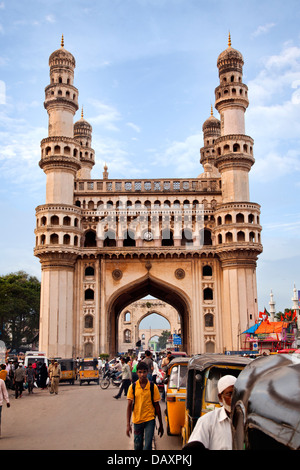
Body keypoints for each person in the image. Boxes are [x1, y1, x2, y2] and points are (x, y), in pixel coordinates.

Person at [186, 375, 237, 450]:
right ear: (220, 397)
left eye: (237, 394)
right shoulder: (206, 421)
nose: (234, 398)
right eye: (230, 394)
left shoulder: (247, 421)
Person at [126, 361, 164, 450]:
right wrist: (128, 424)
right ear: (137, 373)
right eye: (140, 372)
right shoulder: (133, 387)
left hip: (149, 420)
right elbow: (129, 406)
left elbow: (157, 406)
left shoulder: (152, 387)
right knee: (137, 446)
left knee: (147, 447)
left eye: (144, 372)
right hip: (137, 420)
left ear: (147, 372)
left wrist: (161, 424)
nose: (142, 374)